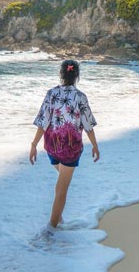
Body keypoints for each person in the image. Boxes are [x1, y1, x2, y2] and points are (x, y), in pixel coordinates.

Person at [29, 59, 99, 229]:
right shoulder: (80, 97)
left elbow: (42, 121)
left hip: (52, 145)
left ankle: (58, 217)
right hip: (70, 147)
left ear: (61, 74)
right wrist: (95, 145)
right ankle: (51, 229)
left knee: (61, 182)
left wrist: (34, 144)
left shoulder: (51, 93)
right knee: (62, 189)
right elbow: (88, 125)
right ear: (77, 76)